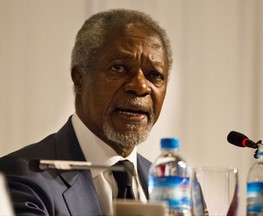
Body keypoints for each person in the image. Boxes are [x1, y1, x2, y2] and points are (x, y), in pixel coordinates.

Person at [0, 8, 172, 216]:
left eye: (155, 75)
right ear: (79, 78)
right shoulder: (20, 176)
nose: (140, 86)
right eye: (119, 68)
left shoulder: (176, 187)